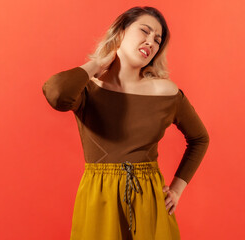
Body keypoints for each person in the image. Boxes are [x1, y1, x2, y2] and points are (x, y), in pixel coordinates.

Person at [42, 6, 210, 240]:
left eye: (157, 40)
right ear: (120, 32)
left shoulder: (165, 92)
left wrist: (177, 190)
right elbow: (57, 93)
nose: (151, 42)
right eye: (145, 31)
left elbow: (200, 138)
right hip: (99, 200)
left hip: (149, 201)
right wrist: (96, 65)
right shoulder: (88, 89)